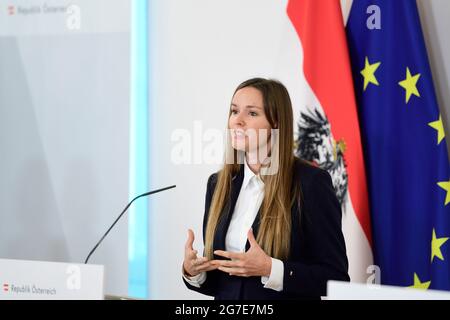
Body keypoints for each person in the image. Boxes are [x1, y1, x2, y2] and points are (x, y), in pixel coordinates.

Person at [182, 78, 350, 300]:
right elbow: (222, 284)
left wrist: (271, 269)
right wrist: (194, 272)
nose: (238, 121)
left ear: (276, 123)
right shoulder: (218, 184)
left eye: (251, 113)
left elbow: (335, 279)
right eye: (234, 111)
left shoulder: (310, 184)